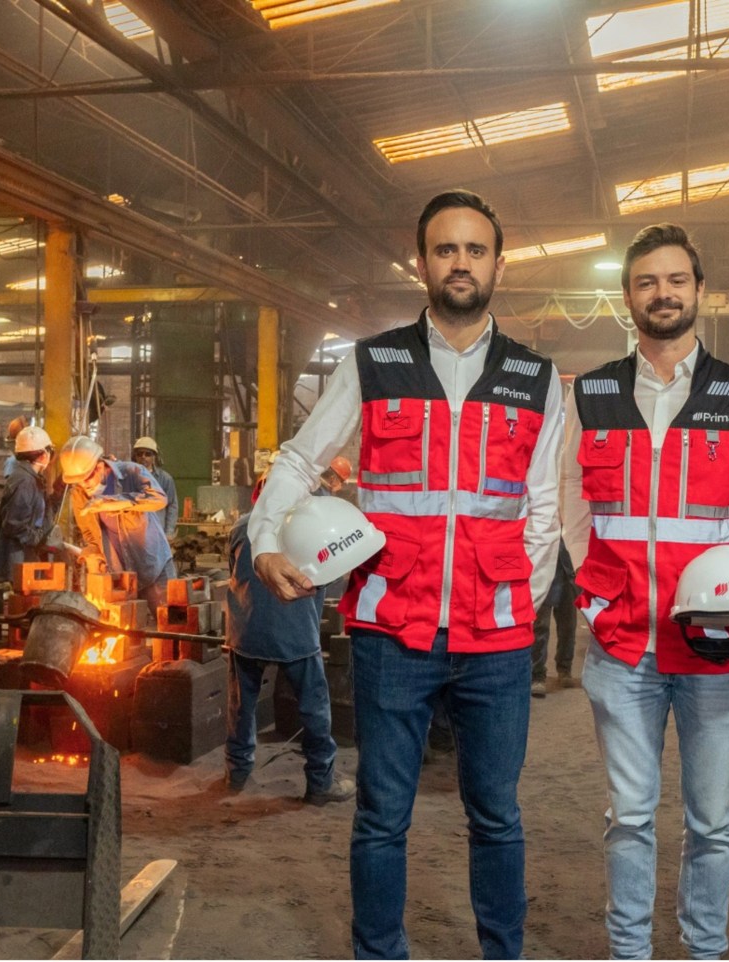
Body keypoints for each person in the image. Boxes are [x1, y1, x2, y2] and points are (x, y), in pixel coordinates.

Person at [248, 189, 563, 960]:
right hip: (392, 628)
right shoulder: (373, 362)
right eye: (445, 249)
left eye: (475, 250)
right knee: (383, 817)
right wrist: (264, 540)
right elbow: (300, 460)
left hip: (495, 639)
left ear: (498, 264)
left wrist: (516, 602)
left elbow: (546, 508)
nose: (461, 263)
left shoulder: (536, 377)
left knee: (497, 816)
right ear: (421, 262)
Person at [561, 223, 729, 960]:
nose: (661, 293)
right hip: (623, 644)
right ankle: (629, 952)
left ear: (699, 290)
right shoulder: (592, 393)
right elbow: (571, 504)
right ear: (627, 296)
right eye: (646, 282)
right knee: (630, 817)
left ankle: (704, 951)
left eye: (675, 280)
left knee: (712, 823)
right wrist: (593, 593)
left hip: (716, 642)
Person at [223, 479, 356, 804]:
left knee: (241, 707)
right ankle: (320, 782)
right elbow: (329, 578)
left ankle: (236, 773)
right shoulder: (310, 531)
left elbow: (233, 570)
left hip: (247, 630)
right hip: (296, 633)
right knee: (314, 710)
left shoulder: (242, 526)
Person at [58, 435, 176, 609]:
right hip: (120, 573)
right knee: (125, 623)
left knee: (168, 618)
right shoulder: (79, 494)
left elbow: (159, 499)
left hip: (153, 566)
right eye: (78, 481)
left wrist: (115, 502)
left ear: (99, 466)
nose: (83, 485)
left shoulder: (131, 472)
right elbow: (89, 533)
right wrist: (93, 555)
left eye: (87, 478)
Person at [0, 425, 55, 582]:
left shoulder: (31, 478)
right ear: (43, 455)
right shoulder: (25, 482)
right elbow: (14, 525)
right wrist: (38, 539)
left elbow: (40, 514)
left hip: (24, 558)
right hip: (15, 562)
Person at [529, 539, 577, 697]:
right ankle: (537, 675)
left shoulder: (571, 523)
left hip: (567, 576)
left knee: (568, 627)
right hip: (542, 576)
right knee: (540, 628)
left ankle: (565, 669)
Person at [131, 436, 178, 538]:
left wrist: (169, 532)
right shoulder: (129, 477)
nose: (143, 457)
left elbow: (172, 506)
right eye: (140, 454)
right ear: (135, 457)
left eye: (148, 454)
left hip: (156, 532)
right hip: (134, 532)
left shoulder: (165, 479)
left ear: (154, 457)